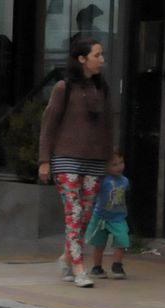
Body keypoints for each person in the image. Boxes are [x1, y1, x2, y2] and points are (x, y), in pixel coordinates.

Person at [38, 37, 112, 288]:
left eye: (101, 55)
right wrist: (44, 160)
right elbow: (49, 124)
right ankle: (80, 269)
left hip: (94, 160)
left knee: (86, 215)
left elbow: (107, 125)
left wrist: (110, 156)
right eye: (97, 55)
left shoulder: (101, 88)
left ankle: (67, 257)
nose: (101, 60)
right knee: (74, 212)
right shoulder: (63, 88)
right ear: (82, 59)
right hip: (66, 159)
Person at [85, 149, 130, 280]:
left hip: (118, 217)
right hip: (100, 217)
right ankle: (97, 267)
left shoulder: (125, 181)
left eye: (121, 162)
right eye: (114, 164)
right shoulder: (102, 181)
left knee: (122, 239)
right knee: (99, 244)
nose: (119, 167)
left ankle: (117, 264)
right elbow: (92, 193)